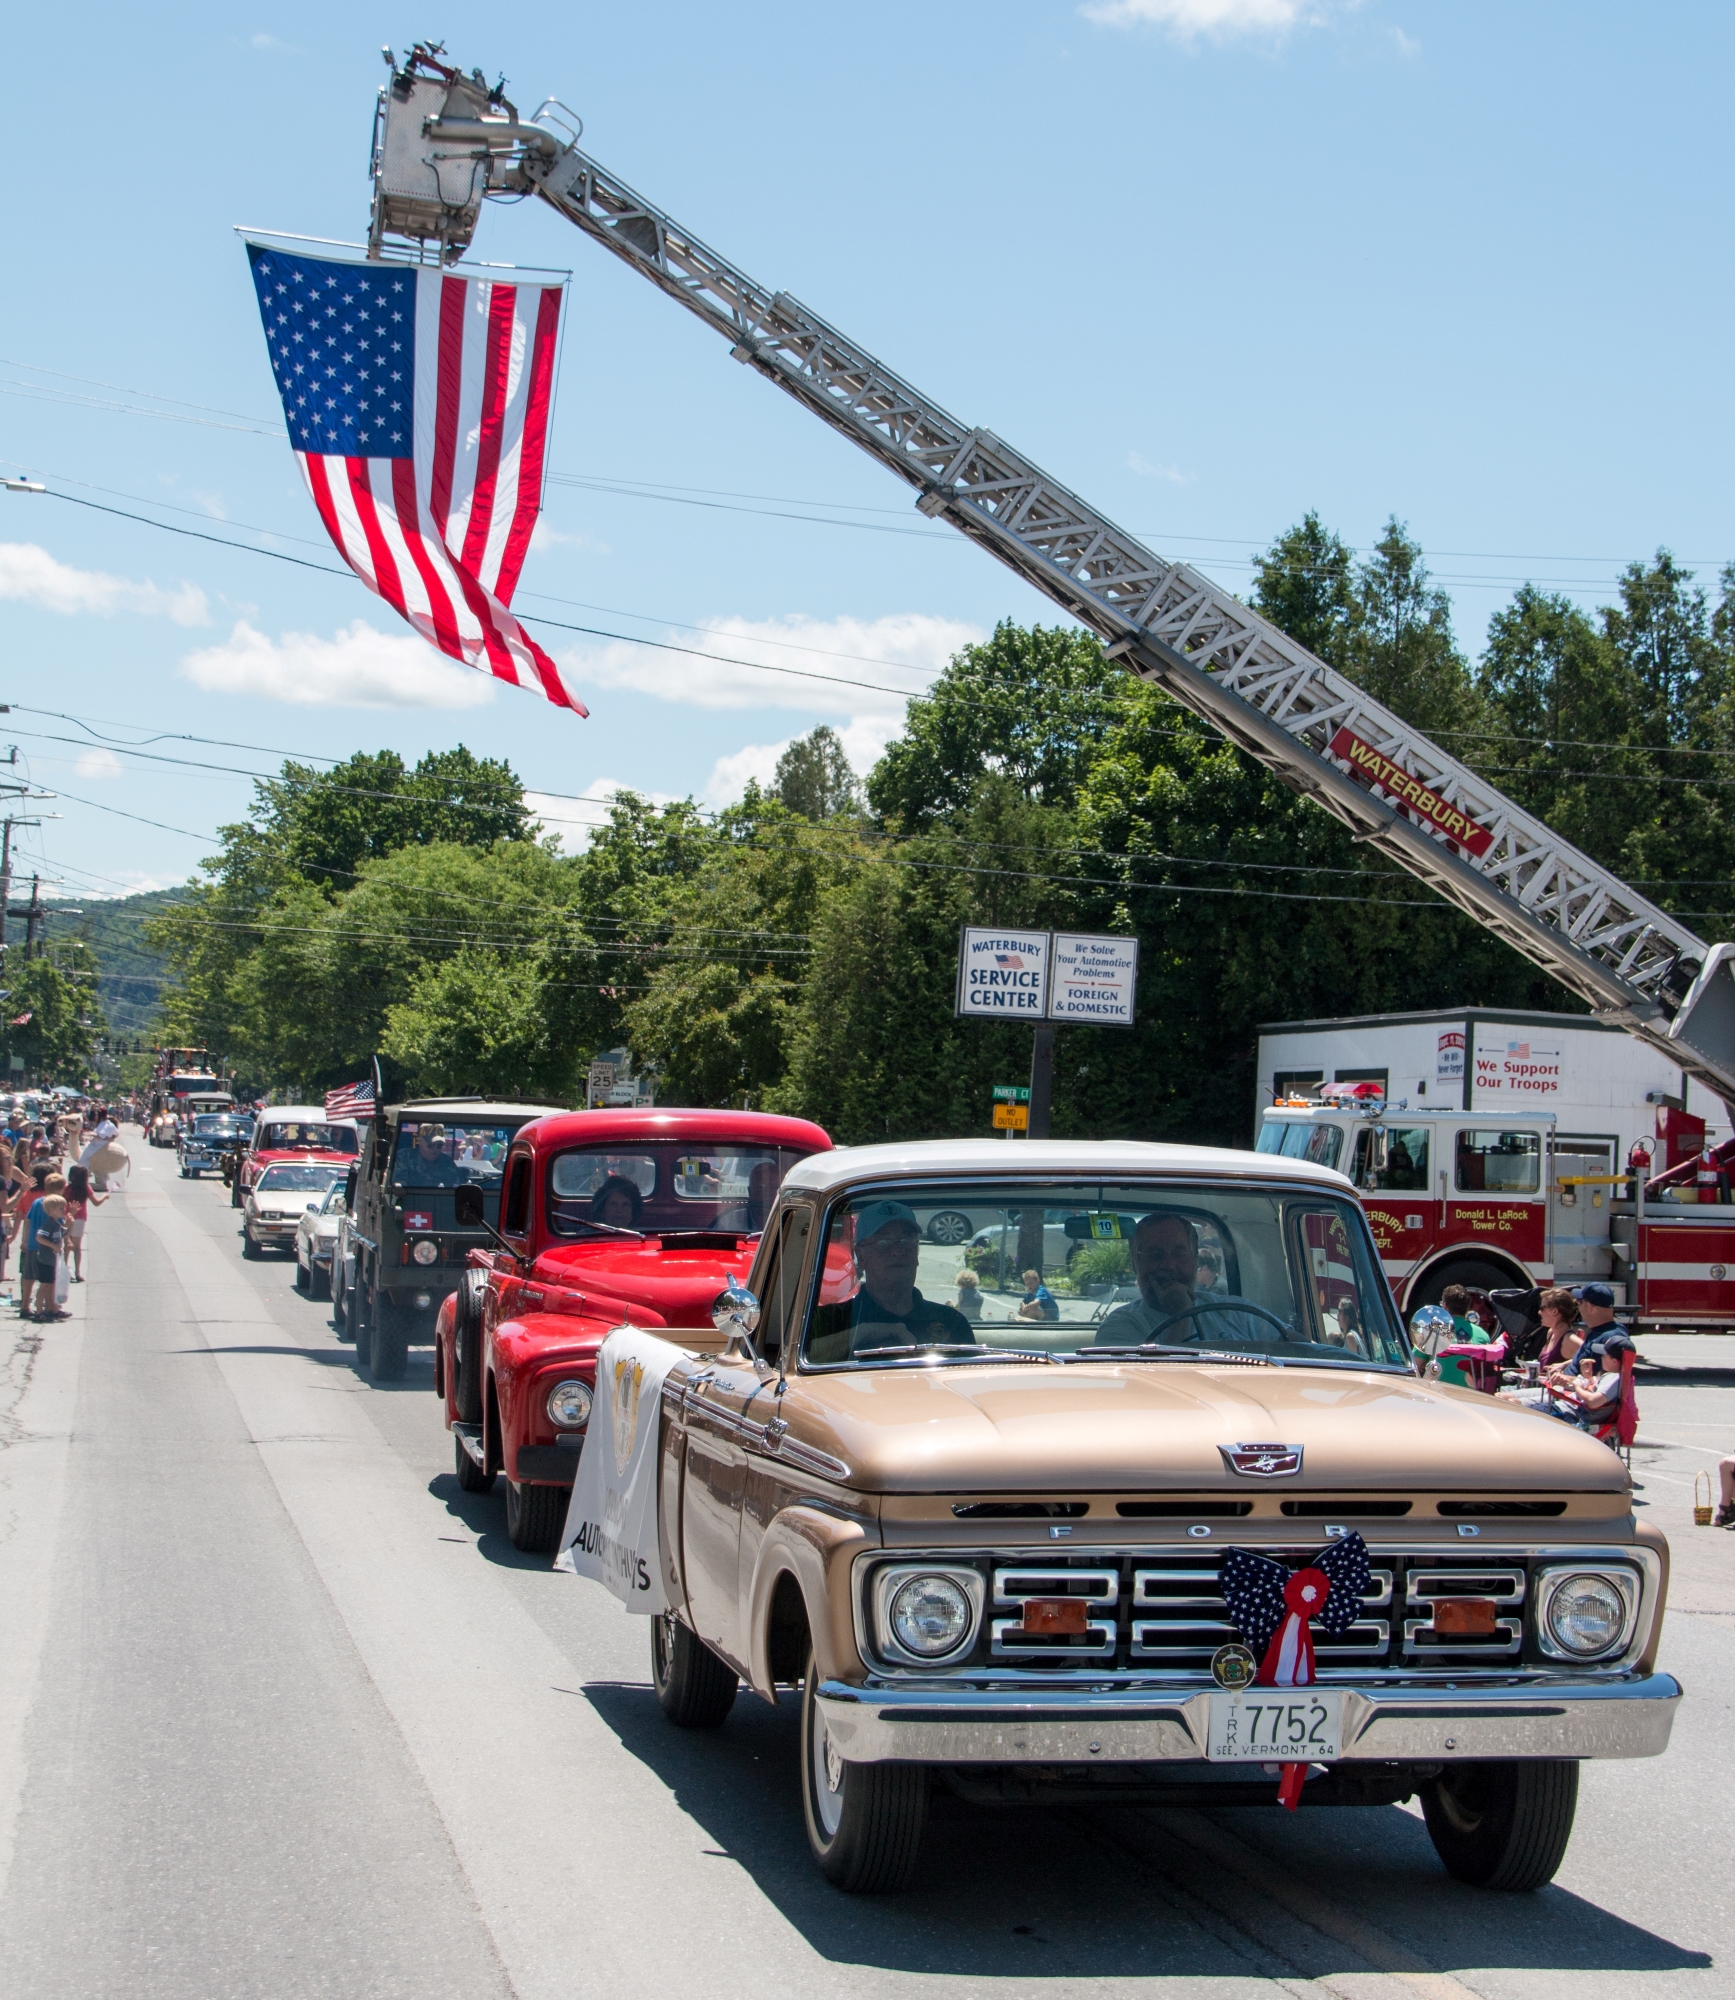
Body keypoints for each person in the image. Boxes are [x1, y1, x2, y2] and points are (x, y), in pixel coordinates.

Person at [807, 1201, 975, 1362]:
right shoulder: (830, 1320)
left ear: (917, 1253)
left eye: (906, 1241)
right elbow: (794, 1363)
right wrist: (860, 1333)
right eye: (884, 1242)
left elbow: (969, 1381)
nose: (898, 1251)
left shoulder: (951, 1321)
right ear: (861, 1256)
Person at [1093, 1211, 1271, 1348]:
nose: (1169, 1265)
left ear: (1194, 1261)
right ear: (1135, 1265)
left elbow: (1294, 1347)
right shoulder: (1121, 1326)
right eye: (1156, 1255)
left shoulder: (1237, 1313)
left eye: (1179, 1253)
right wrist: (1181, 1315)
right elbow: (1154, 1387)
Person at [21, 1184, 69, 1322]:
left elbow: (64, 1234)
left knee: (50, 1281)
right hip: (43, 1254)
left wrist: (70, 1222)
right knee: (44, 1282)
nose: (64, 1211)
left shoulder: (55, 1220)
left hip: (47, 1254)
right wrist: (53, 1246)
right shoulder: (49, 1221)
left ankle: (50, 1308)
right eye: (62, 1209)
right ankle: (39, 1308)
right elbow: (39, 1236)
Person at [1434, 1283, 1491, 1389]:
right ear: (1468, 1308)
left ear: (1445, 1306)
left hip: (1440, 1395)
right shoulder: (1483, 1335)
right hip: (1470, 1398)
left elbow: (1415, 1365)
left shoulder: (1434, 1331)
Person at [63, 1164, 107, 1283]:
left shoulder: (67, 1189)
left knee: (67, 1245)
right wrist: (104, 1196)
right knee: (77, 1247)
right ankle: (77, 1272)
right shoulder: (86, 1189)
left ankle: (64, 1270)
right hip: (80, 1219)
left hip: (68, 1217)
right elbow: (96, 1203)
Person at [396, 1122, 466, 1188]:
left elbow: (454, 1187)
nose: (435, 1149)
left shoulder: (447, 1162)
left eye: (439, 1145)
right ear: (420, 1141)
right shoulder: (404, 1157)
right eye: (430, 1145)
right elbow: (399, 1185)